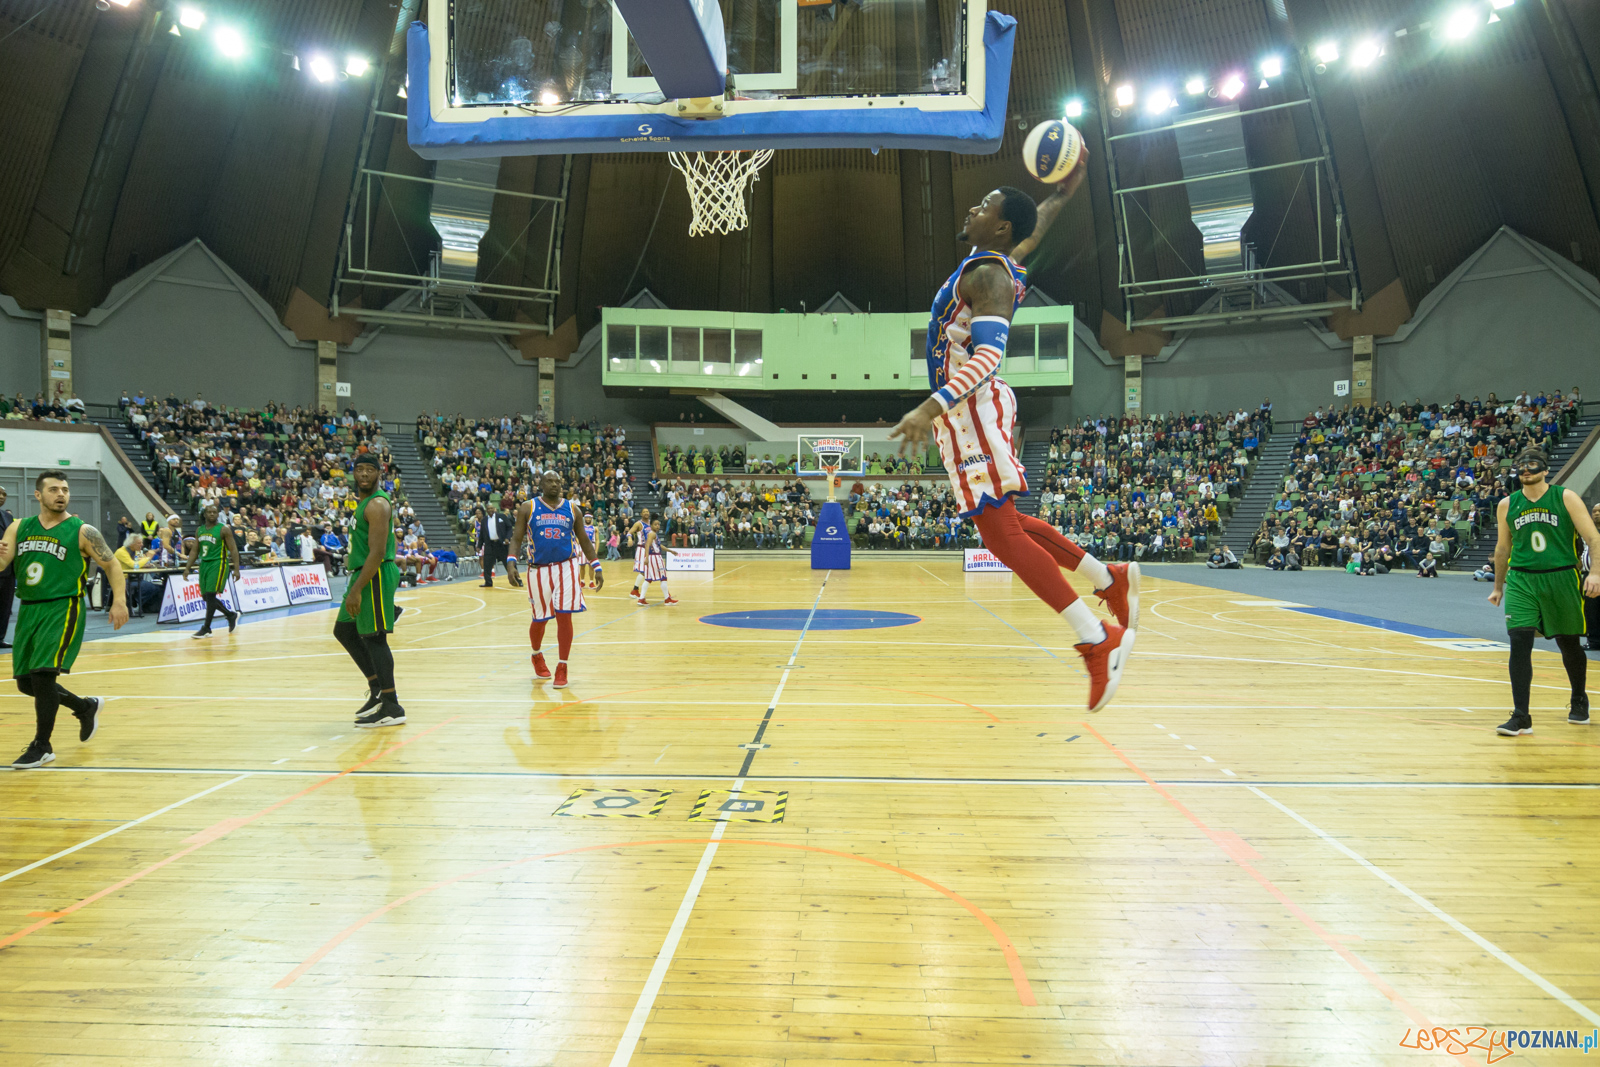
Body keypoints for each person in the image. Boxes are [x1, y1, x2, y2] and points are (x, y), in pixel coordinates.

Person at [887, 176, 1136, 712]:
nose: (972, 208)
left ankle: (1098, 638)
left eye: (984, 206)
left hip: (970, 408)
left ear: (997, 226)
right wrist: (1065, 194)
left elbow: (988, 359)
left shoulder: (987, 276)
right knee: (1008, 525)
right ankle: (1106, 576)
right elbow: (1033, 227)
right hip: (963, 413)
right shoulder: (997, 259)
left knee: (1000, 535)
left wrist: (928, 406)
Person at [0, 472, 128, 768]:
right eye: (54, 489)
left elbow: (112, 565)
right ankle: (84, 707)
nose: (61, 494)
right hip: (29, 608)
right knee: (26, 683)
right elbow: (3, 563)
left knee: (44, 675)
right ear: (38, 495)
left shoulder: (83, 530)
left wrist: (119, 601)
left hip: (62, 606)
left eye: (65, 489)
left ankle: (42, 745)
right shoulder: (20, 527)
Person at [1487, 448, 1600, 735]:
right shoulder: (1507, 504)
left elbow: (1593, 538)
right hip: (1522, 579)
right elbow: (1503, 548)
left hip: (1561, 576)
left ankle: (1578, 698)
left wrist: (1596, 573)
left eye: (1532, 465)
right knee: (1519, 640)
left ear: (1545, 469)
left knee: (1569, 642)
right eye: (1521, 466)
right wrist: (1498, 587)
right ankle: (1521, 716)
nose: (1526, 470)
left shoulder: (1565, 497)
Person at [509, 472, 603, 689]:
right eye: (550, 481)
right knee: (540, 619)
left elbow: (584, 540)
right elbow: (516, 538)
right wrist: (511, 562)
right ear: (540, 484)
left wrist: (595, 565)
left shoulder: (572, 509)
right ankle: (536, 654)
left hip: (567, 567)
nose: (554, 484)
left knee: (564, 616)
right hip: (538, 569)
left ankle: (563, 665)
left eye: (558, 481)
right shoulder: (528, 507)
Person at [334, 454, 406, 728]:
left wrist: (356, 590)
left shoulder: (377, 505)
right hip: (362, 574)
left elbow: (377, 553)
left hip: (372, 576)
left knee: (374, 638)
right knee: (344, 630)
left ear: (379, 473)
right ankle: (377, 689)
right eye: (359, 470)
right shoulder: (364, 503)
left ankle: (391, 705)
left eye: (370, 470)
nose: (364, 474)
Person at [183, 504, 241, 638]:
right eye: (209, 512)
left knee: (210, 595)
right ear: (204, 514)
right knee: (206, 597)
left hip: (218, 563)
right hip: (204, 564)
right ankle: (230, 615)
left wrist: (236, 569)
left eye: (214, 512)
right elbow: (195, 550)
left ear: (217, 514)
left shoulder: (224, 529)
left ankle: (206, 628)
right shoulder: (200, 530)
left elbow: (233, 550)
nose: (212, 514)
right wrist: (187, 567)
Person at [634, 519, 679, 606]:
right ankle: (667, 599)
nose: (657, 526)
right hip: (655, 557)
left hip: (651, 557)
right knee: (663, 578)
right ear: (651, 525)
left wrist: (670, 551)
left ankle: (641, 599)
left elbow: (659, 546)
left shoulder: (653, 534)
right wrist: (646, 557)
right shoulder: (652, 534)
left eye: (658, 524)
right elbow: (647, 545)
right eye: (655, 524)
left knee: (648, 579)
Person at [477, 500, 514, 588]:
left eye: (491, 508)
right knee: (487, 564)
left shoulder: (501, 516)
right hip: (490, 545)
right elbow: (482, 534)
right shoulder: (484, 520)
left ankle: (516, 579)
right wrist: (479, 546)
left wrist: (507, 538)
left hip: (501, 544)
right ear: (486, 510)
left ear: (494, 509)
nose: (490, 510)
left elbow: (509, 528)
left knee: (508, 563)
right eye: (488, 508)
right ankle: (488, 582)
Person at [626, 508, 654, 599]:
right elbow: (629, 533)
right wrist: (630, 539)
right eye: (644, 511)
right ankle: (635, 590)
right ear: (641, 514)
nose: (646, 513)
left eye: (647, 511)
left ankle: (636, 590)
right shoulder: (638, 524)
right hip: (642, 549)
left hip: (650, 549)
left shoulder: (651, 523)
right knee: (643, 571)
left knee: (649, 571)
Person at [0, 487, 13, 649]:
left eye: (4, 494)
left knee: (4, 607)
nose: (1, 496)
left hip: (8, 570)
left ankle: (0, 637)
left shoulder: (8, 517)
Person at [579, 512, 599, 589]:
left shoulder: (595, 528)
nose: (587, 519)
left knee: (591, 566)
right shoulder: (581, 527)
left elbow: (597, 540)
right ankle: (582, 581)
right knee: (582, 566)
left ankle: (591, 582)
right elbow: (578, 538)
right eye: (586, 518)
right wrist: (578, 549)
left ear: (591, 519)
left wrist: (596, 551)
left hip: (591, 545)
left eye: (589, 518)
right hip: (582, 546)